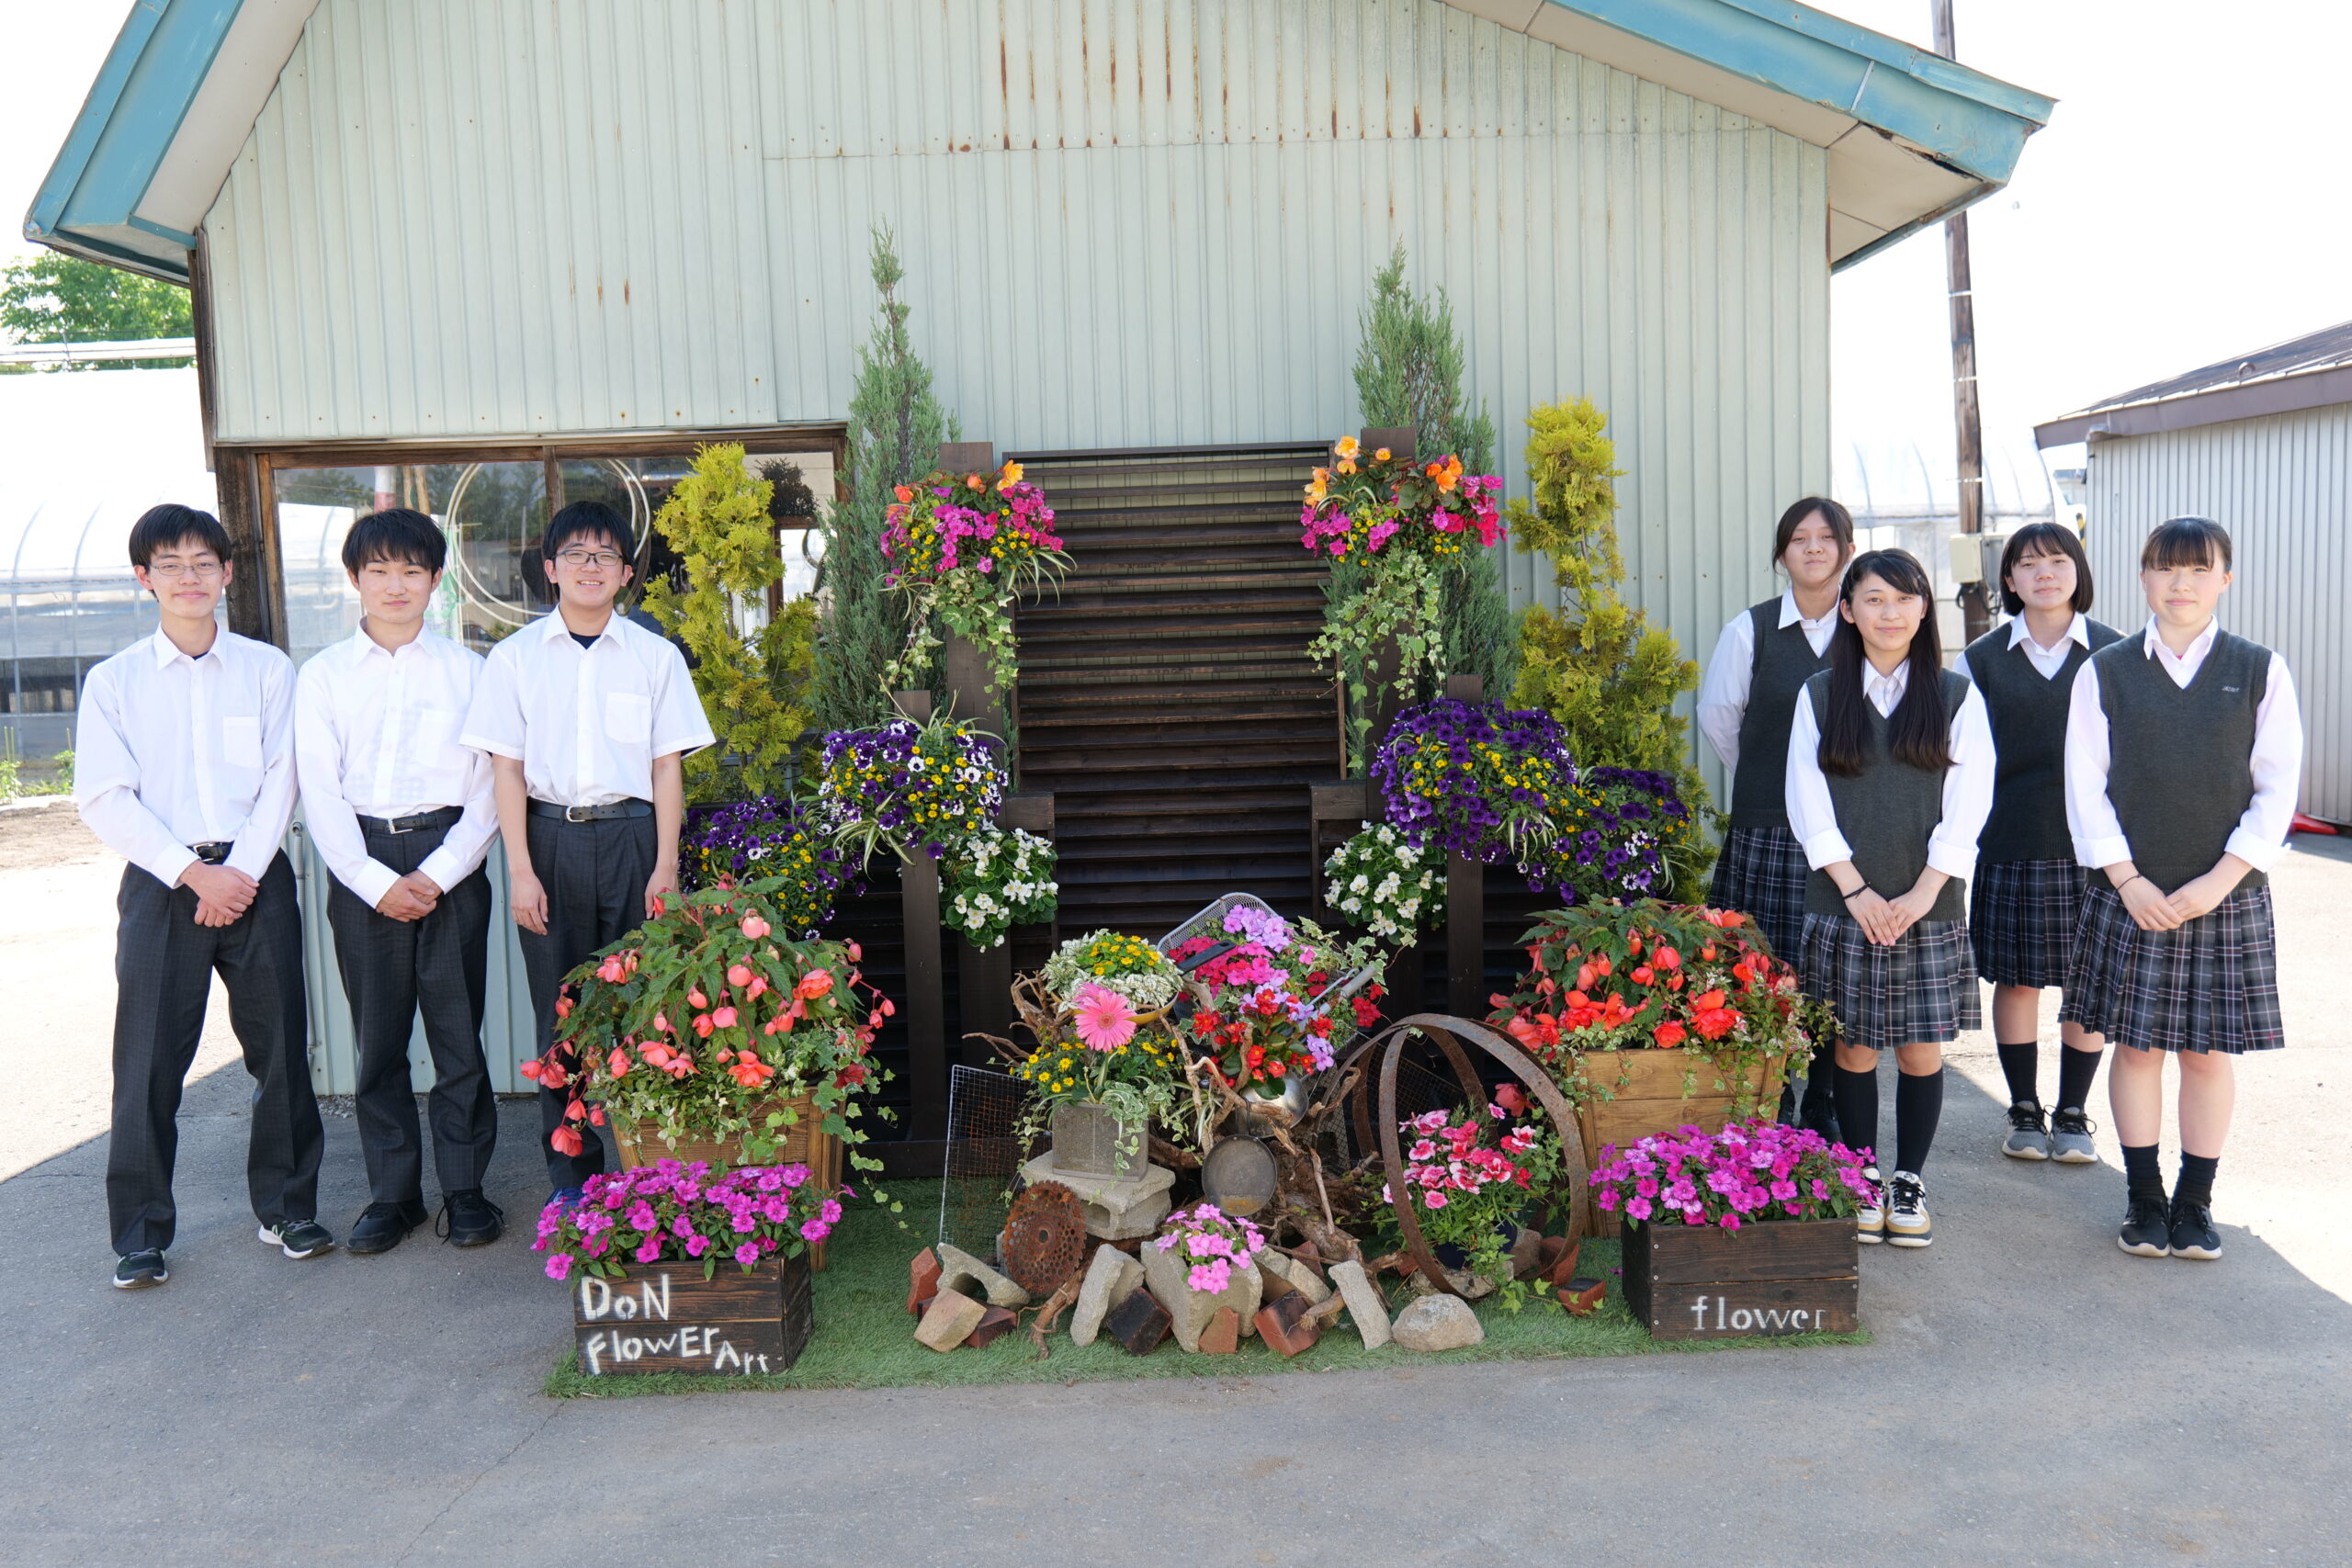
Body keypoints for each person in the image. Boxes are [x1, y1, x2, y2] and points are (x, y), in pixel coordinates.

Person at [74, 504, 330, 1289]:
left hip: (256, 876)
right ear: (144, 577)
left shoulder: (267, 669)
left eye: (203, 561)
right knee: (147, 1061)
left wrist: (237, 875)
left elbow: (283, 778)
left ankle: (286, 1208)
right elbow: (104, 797)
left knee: (282, 1048)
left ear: (226, 572)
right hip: (161, 886)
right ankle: (141, 1232)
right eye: (171, 563)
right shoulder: (114, 682)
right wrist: (193, 873)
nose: (190, 576)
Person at [2061, 517, 2300, 1262]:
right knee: (2135, 1047)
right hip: (2129, 892)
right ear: (2143, 579)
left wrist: (2219, 882)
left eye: (2199, 569)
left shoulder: (2260, 668)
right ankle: (2144, 1198)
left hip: (2224, 894)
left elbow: (2276, 788)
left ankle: (2195, 1204)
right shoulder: (2105, 670)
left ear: (2225, 579)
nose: (2182, 583)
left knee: (2205, 1053)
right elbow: (2084, 786)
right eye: (2166, 569)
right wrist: (2127, 878)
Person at [460, 501, 713, 1201]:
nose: (590, 567)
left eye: (605, 555)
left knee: (645, 1004)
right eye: (575, 554)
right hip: (549, 839)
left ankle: (652, 1169)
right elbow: (505, 769)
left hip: (634, 837)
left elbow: (668, 767)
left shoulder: (656, 657)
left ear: (627, 572)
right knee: (561, 1013)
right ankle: (573, 1176)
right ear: (550, 569)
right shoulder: (513, 661)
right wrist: (519, 870)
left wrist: (665, 865)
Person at [295, 508, 503, 1255]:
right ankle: (394, 1196)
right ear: (354, 579)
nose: (395, 585)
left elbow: (488, 791)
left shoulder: (471, 672)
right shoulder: (320, 678)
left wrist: (441, 872)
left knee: (458, 1039)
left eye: (412, 571)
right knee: (378, 1042)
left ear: (436, 579)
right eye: (378, 570)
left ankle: (466, 1189)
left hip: (451, 859)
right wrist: (372, 881)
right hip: (363, 868)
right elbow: (318, 792)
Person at [1785, 547, 1993, 1250]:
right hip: (1843, 900)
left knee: (1920, 1049)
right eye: (1873, 599)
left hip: (1925, 904)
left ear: (1924, 609)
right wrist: (1857, 890)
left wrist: (1921, 891)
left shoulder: (1956, 696)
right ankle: (1863, 1172)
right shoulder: (1819, 695)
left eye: (1904, 598)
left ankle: (1909, 1178)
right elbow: (1806, 801)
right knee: (1852, 1045)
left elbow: (1968, 806)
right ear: (1848, 609)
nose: (1889, 612)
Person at [1953, 524, 2122, 1163]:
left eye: (2057, 560)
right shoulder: (1982, 659)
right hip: (2010, 840)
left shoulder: (2115, 653)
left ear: (2078, 569)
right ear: (2009, 579)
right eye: (2028, 563)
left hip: (2097, 848)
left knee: (2089, 982)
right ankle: (2023, 1107)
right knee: (2018, 981)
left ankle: (2074, 1112)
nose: (2044, 573)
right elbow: (1961, 757)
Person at [1695, 497, 1855, 1135]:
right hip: (1769, 828)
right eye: (1799, 537)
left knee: (1835, 974)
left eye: (1826, 537)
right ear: (1781, 552)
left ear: (1846, 548)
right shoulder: (1751, 629)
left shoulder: (1870, 622)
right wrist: (1773, 782)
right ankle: (1772, 1097)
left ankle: (1825, 1095)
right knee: (1767, 970)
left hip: (1848, 836)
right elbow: (1719, 717)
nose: (1813, 547)